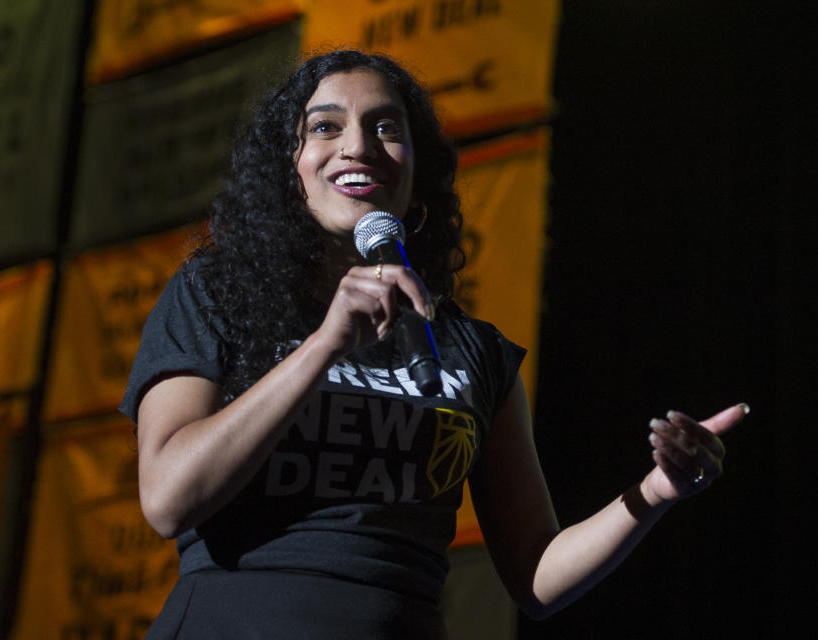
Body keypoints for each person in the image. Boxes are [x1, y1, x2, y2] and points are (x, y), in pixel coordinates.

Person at [120, 49, 748, 638]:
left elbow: (537, 576)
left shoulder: (474, 351)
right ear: (291, 168)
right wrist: (323, 347)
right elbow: (169, 498)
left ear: (418, 176)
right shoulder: (215, 292)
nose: (359, 146)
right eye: (326, 127)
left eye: (387, 128)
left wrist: (658, 492)